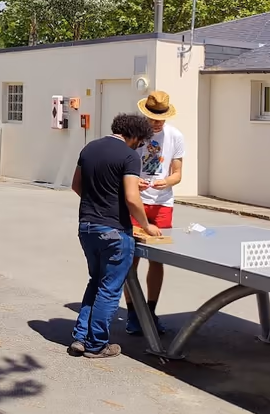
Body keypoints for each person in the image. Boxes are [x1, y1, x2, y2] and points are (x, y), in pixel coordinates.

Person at [69, 113, 161, 359]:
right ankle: (97, 345)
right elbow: (132, 198)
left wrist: (98, 202)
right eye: (140, 143)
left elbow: (77, 185)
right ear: (134, 136)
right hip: (114, 231)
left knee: (95, 282)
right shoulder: (129, 155)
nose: (139, 147)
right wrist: (146, 225)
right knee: (109, 289)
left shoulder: (89, 148)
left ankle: (80, 337)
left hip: (87, 226)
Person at [125, 91, 185, 336]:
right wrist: (133, 181)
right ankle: (132, 313)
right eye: (152, 117)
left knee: (158, 258)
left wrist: (168, 181)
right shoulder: (134, 136)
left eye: (160, 118)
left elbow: (178, 173)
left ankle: (150, 310)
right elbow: (124, 166)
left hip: (162, 204)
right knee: (131, 257)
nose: (156, 122)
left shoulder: (176, 136)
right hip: (137, 201)